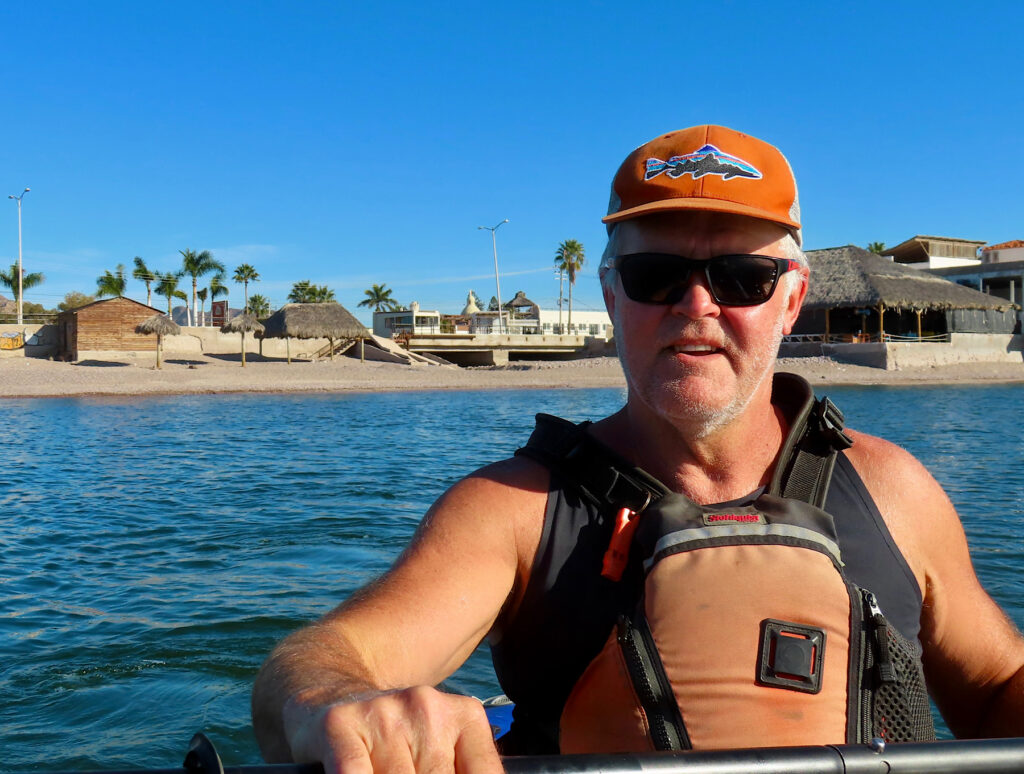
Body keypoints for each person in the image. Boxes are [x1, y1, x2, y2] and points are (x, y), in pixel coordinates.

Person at [252, 125, 1024, 772]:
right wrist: (338, 705)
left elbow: (997, 685)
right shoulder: (513, 512)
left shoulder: (895, 488)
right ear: (612, 295)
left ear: (791, 299)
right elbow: (320, 659)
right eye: (657, 275)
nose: (697, 305)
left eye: (742, 278)